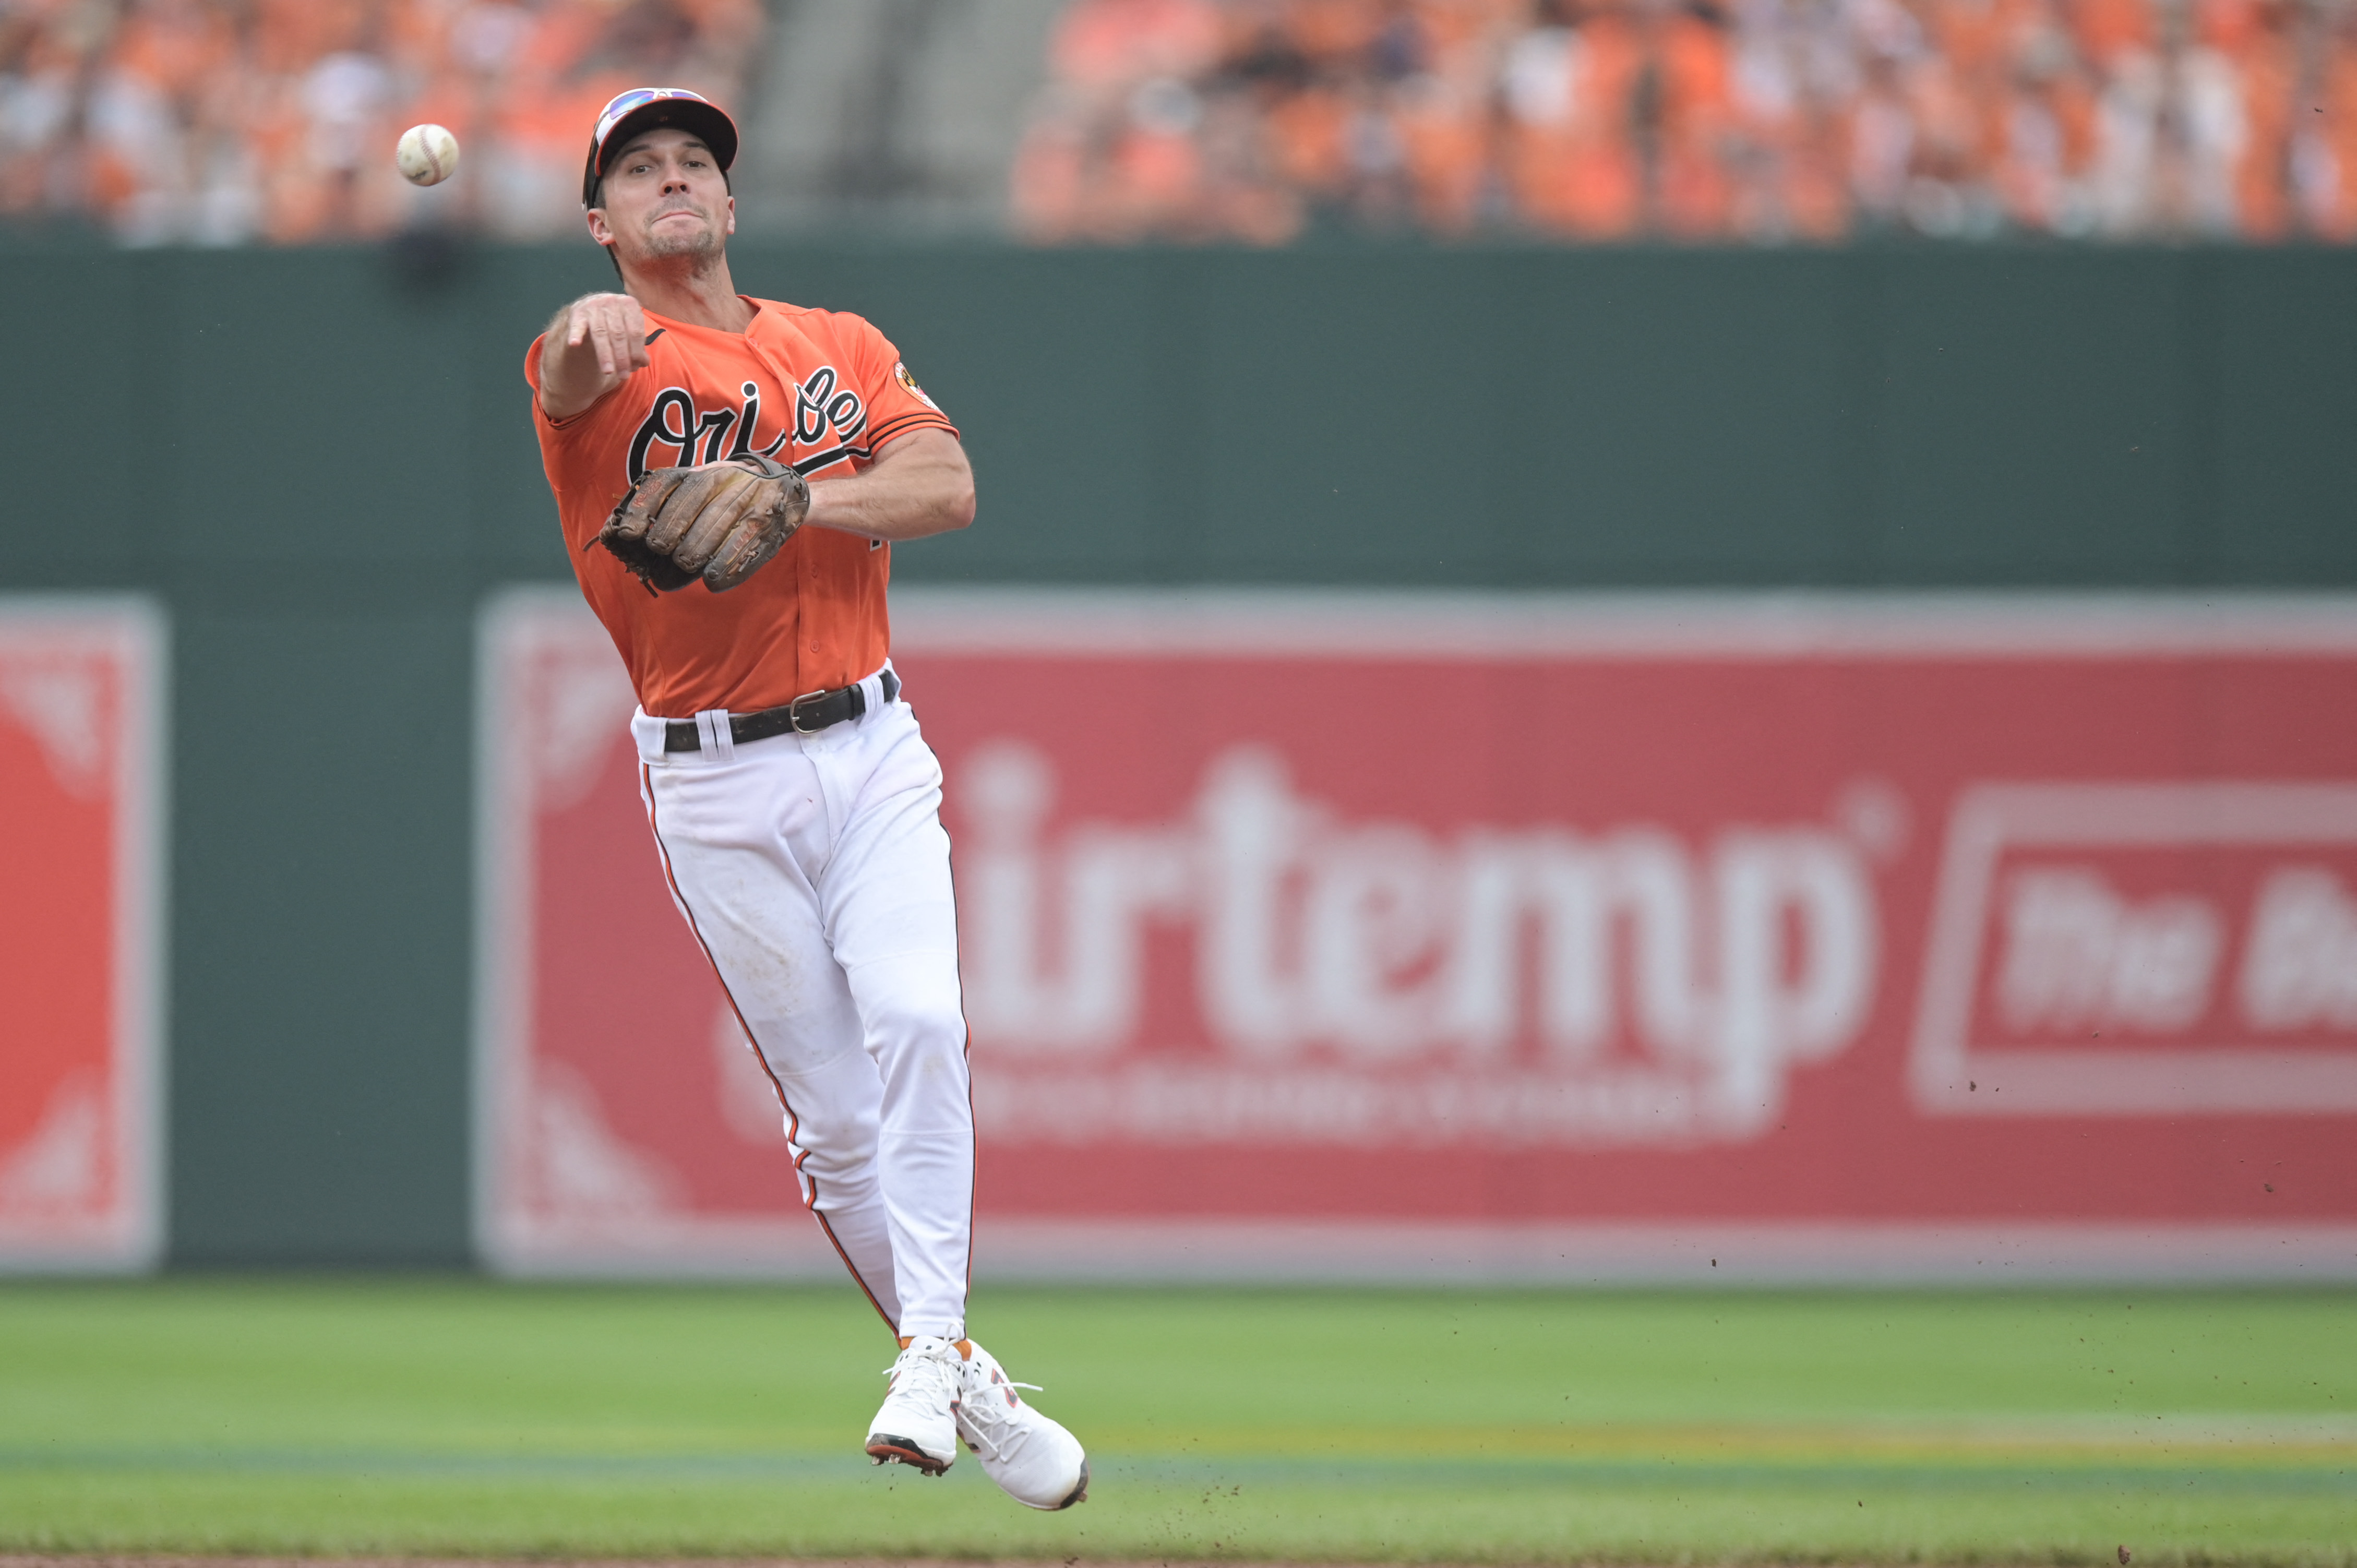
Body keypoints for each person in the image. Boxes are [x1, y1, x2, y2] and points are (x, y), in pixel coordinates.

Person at [523, 87, 1088, 1511]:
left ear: (730, 201)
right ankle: (969, 1377)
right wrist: (589, 331)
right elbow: (571, 367)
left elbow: (946, 482)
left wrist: (796, 496)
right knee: (836, 1123)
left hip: (868, 744)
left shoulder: (835, 346)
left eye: (693, 164)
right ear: (603, 222)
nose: (672, 183)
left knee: (915, 1016)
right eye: (639, 171)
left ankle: (930, 1354)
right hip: (711, 780)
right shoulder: (595, 358)